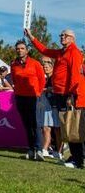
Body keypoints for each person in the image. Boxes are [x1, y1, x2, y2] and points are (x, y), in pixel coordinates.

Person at [26, 28, 84, 169]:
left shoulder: (74, 52)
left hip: (69, 95)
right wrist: (32, 38)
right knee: (67, 126)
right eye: (61, 35)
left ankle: (78, 160)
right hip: (60, 94)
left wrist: (71, 95)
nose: (62, 37)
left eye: (65, 35)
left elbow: (75, 75)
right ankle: (75, 156)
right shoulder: (60, 52)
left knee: (74, 126)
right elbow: (45, 51)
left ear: (72, 38)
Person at [11, 39, 46, 161]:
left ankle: (39, 150)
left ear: (27, 50)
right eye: (18, 49)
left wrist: (37, 93)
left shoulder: (35, 63)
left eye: (22, 48)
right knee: (27, 125)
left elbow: (42, 80)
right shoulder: (13, 64)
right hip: (20, 97)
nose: (19, 50)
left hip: (33, 97)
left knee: (35, 124)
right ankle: (31, 150)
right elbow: (14, 80)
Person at [37, 58, 61, 159]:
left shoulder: (55, 77)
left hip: (55, 106)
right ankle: (45, 149)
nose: (45, 68)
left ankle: (59, 152)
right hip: (47, 106)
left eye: (47, 67)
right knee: (46, 128)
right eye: (44, 67)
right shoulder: (45, 79)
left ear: (52, 68)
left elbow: (55, 88)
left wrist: (45, 89)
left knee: (57, 129)